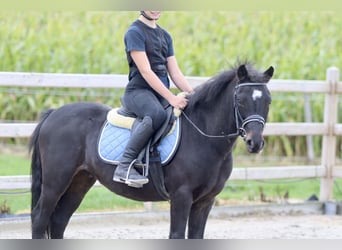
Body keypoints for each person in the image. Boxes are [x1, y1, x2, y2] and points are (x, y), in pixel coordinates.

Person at [113, 11, 193, 187]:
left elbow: (175, 72)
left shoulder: (165, 36)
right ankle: (124, 165)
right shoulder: (134, 32)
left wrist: (192, 93)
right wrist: (171, 97)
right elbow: (146, 71)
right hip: (138, 92)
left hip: (158, 94)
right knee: (156, 114)